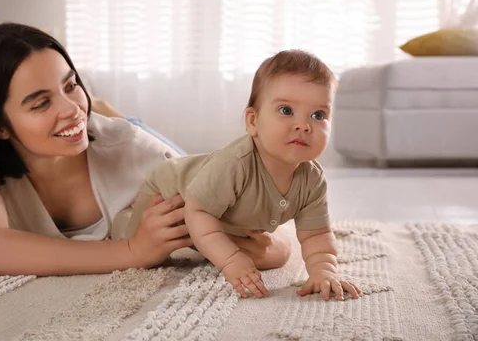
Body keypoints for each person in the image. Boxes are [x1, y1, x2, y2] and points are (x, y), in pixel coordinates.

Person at [0, 22, 289, 276]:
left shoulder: (137, 155)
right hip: (104, 139)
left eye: (71, 85)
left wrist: (218, 240)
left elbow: (276, 248)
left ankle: (116, 116)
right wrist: (131, 252)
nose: (71, 107)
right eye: (41, 103)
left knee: (136, 138)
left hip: (132, 147)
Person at [122, 50, 362, 301]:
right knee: (139, 248)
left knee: (265, 255)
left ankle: (203, 238)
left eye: (318, 115)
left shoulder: (312, 180)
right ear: (253, 121)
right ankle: (124, 211)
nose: (304, 125)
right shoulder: (236, 164)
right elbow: (198, 212)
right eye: (286, 110)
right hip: (171, 192)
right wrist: (231, 260)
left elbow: (317, 234)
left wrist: (323, 270)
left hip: (222, 214)